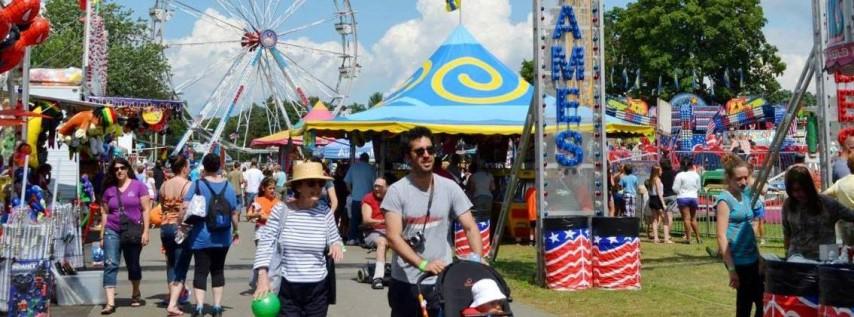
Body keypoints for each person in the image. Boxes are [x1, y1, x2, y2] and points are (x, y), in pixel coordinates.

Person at [382, 126, 484, 317]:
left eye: (430, 150)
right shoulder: (397, 191)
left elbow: (470, 227)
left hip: (442, 281)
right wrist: (422, 264)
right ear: (408, 157)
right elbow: (393, 238)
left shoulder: (449, 187)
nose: (427, 155)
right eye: (419, 151)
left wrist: (477, 262)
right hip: (407, 283)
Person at [253, 161, 344, 316]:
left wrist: (336, 244)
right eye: (311, 183)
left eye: (321, 183)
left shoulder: (325, 212)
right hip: (287, 287)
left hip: (318, 288)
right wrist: (262, 277)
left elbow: (335, 238)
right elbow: (266, 244)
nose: (317, 188)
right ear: (298, 186)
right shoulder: (281, 211)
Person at [183, 153, 239, 317]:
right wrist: (236, 231)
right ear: (219, 167)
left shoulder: (198, 184)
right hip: (222, 236)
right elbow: (234, 213)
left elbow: (185, 206)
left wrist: (183, 224)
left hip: (201, 235)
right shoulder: (228, 186)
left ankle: (199, 307)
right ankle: (216, 306)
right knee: (218, 270)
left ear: (204, 167)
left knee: (200, 271)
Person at [99, 158, 152, 314]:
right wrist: (102, 234)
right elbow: (105, 212)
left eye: (122, 168)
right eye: (116, 169)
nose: (119, 171)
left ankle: (135, 292)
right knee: (110, 264)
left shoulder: (139, 187)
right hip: (112, 229)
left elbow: (146, 209)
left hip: (132, 230)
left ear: (128, 169)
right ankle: (110, 303)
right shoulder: (109, 190)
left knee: (133, 264)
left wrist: (146, 231)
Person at [715, 155, 762, 317]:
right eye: (738, 179)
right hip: (739, 261)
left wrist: (759, 256)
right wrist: (732, 269)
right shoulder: (724, 200)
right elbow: (721, 236)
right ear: (729, 179)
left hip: (753, 258)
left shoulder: (746, 194)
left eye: (745, 177)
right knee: (745, 305)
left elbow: (749, 227)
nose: (743, 182)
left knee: (762, 302)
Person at [783, 165, 854, 261]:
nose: (796, 194)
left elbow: (851, 215)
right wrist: (787, 254)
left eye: (800, 189)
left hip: (827, 255)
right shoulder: (788, 204)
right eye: (792, 191)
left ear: (808, 187)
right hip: (798, 256)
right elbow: (787, 233)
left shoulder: (828, 203)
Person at [159, 156, 193, 316]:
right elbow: (189, 209)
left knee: (170, 262)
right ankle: (175, 301)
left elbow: (161, 205)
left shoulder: (164, 185)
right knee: (180, 264)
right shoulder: (188, 185)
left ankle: (171, 294)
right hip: (179, 227)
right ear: (184, 168)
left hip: (164, 226)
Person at [245, 177, 280, 293]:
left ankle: (257, 280)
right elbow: (249, 214)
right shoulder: (258, 200)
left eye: (274, 188)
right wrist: (257, 215)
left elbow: (281, 218)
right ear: (263, 188)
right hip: (261, 232)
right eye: (270, 188)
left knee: (270, 259)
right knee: (264, 257)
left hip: (274, 233)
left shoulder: (278, 202)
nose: (272, 190)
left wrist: (263, 216)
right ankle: (260, 282)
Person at [362, 176, 390, 290]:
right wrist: (384, 221)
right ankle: (377, 278)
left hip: (390, 230)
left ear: (387, 187)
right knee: (382, 242)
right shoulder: (368, 198)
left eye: (380, 186)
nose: (377, 189)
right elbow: (366, 220)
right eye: (375, 186)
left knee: (406, 241)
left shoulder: (392, 197)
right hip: (372, 231)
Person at [344, 153, 377, 245]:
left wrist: (351, 191)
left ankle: (352, 238)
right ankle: (362, 238)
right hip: (368, 199)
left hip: (356, 197)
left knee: (354, 219)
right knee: (365, 220)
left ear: (360, 159)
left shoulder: (353, 167)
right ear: (367, 159)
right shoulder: (371, 169)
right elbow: (375, 184)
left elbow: (346, 182)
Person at [823, 155, 854, 246]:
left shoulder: (840, 183)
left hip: (846, 223)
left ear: (848, 166)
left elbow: (824, 195)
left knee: (847, 250)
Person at [673, 158, 702, 244]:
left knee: (686, 218)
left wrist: (680, 192)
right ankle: (698, 237)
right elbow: (699, 188)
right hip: (693, 197)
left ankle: (688, 238)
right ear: (691, 165)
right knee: (693, 219)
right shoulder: (696, 175)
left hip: (683, 197)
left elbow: (675, 188)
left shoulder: (679, 175)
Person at [648, 166, 670, 243]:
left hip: (652, 199)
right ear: (657, 171)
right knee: (665, 219)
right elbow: (659, 193)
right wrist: (663, 204)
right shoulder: (657, 179)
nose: (662, 172)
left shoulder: (650, 180)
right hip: (657, 200)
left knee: (655, 220)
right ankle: (666, 239)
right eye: (660, 170)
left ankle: (656, 238)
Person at [333, 163, 351, 239]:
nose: (341, 171)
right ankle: (336, 232)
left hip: (343, 200)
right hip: (337, 199)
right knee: (336, 218)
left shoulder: (344, 179)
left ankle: (342, 233)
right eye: (340, 170)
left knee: (344, 218)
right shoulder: (335, 179)